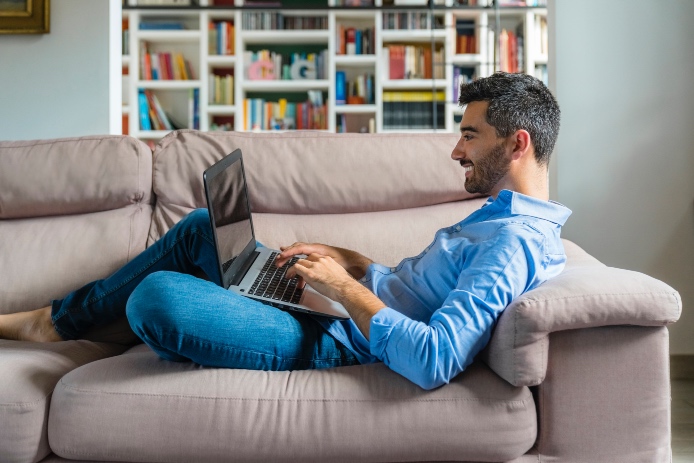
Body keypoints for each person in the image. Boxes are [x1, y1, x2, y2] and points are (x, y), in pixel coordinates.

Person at [0, 72, 570, 390]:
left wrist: (343, 290)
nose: (455, 150)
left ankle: (97, 323)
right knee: (202, 227)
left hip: (338, 341)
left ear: (517, 142)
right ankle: (58, 322)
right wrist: (345, 260)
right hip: (338, 307)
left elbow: (436, 358)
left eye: (470, 135)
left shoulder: (513, 243)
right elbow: (414, 290)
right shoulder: (501, 216)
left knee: (156, 298)